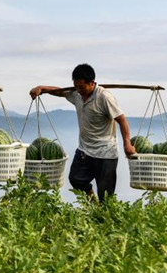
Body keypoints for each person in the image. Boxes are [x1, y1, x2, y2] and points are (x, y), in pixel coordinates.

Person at [30, 63, 135, 202]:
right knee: (75, 179)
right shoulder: (77, 94)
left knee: (106, 195)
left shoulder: (104, 98)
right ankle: (93, 204)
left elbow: (122, 120)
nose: (78, 90)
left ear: (92, 83)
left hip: (105, 153)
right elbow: (60, 91)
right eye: (76, 86)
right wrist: (42, 88)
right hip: (85, 150)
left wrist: (127, 143)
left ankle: (103, 216)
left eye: (81, 86)